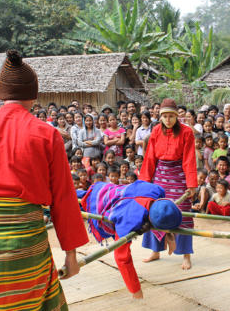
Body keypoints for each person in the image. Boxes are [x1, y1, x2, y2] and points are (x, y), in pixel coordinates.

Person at [0, 50, 88, 310]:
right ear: (34, 95)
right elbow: (63, 197)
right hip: (22, 233)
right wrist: (71, 254)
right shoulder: (45, 134)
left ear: (1, 93)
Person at [81, 180, 181, 299]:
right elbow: (122, 258)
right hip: (102, 195)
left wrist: (170, 237)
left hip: (119, 192)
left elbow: (163, 213)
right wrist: (135, 289)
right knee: (78, 197)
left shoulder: (157, 191)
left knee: (79, 193)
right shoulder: (128, 221)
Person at [140, 98, 197, 270]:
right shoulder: (156, 131)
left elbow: (189, 158)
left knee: (184, 214)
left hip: (179, 176)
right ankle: (155, 250)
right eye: (164, 116)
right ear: (160, 117)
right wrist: (145, 182)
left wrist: (191, 183)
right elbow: (150, 157)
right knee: (155, 212)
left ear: (176, 116)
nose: (168, 120)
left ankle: (186, 255)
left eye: (171, 116)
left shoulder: (187, 132)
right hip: (160, 176)